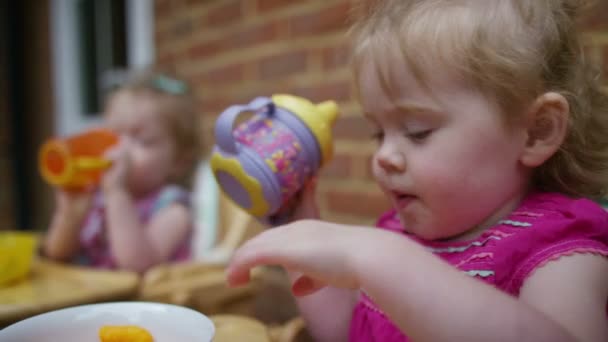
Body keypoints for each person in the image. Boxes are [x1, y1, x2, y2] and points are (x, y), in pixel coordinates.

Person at [226, 1, 608, 341]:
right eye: (378, 132)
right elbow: (344, 331)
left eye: (417, 132)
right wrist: (298, 219)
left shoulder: (560, 250)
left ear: (536, 132)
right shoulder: (398, 232)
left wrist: (384, 259)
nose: (385, 156)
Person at [43, 68, 202, 273]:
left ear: (179, 161)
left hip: (143, 303)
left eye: (142, 141)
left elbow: (137, 265)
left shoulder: (173, 209)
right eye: (114, 137)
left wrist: (117, 194)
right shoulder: (98, 198)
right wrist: (70, 215)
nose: (121, 150)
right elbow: (57, 254)